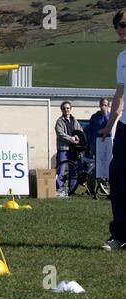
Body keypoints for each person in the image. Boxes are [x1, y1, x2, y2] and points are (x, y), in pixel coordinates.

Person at [99, 10, 126, 251]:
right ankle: (120, 234)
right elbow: (120, 94)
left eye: (123, 24)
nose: (119, 29)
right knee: (117, 175)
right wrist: (109, 126)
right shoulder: (122, 57)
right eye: (117, 25)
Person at [55, 101, 84, 196]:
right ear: (61, 110)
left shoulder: (75, 121)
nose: (66, 110)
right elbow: (60, 134)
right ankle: (59, 189)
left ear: (70, 109)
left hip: (73, 149)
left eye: (67, 108)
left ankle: (72, 190)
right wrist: (71, 139)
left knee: (73, 170)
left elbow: (80, 131)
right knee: (61, 170)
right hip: (63, 149)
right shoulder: (59, 121)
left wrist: (76, 137)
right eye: (64, 108)